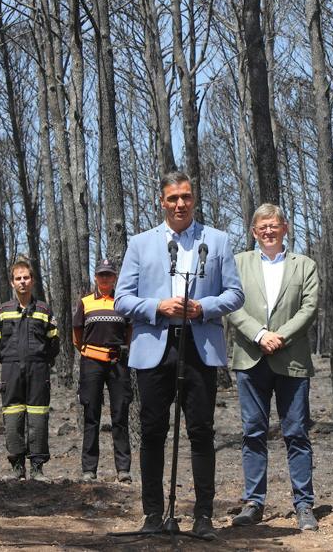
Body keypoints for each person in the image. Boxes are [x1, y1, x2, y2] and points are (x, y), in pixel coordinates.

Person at [114, 170, 244, 539]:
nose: (180, 204)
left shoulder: (216, 241)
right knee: (153, 432)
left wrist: (202, 308)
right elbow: (122, 299)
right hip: (155, 346)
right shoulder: (141, 244)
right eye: (173, 198)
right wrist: (159, 306)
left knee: (201, 431)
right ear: (162, 201)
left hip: (199, 346)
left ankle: (204, 517)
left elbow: (235, 294)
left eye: (185, 197)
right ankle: (153, 515)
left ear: (194, 198)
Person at [227, 203, 319, 532]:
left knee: (296, 433)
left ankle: (304, 503)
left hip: (291, 358)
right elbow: (231, 303)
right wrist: (259, 334)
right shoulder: (238, 263)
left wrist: (279, 336)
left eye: (274, 225)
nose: (268, 231)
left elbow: (309, 307)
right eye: (262, 226)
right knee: (253, 433)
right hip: (250, 359)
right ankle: (253, 502)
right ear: (253, 231)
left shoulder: (304, 265)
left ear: (285, 228)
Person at [0, 257, 59, 481]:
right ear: (12, 283)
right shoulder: (2, 311)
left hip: (38, 370)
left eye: (26, 278)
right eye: (18, 278)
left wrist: (40, 360)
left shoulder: (44, 310)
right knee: (13, 417)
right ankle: (17, 466)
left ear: (33, 280)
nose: (22, 282)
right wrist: (9, 360)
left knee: (38, 418)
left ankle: (38, 468)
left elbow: (54, 343)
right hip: (11, 372)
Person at [73, 258, 133, 483]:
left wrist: (121, 351)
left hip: (118, 363)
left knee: (120, 415)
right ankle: (89, 470)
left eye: (109, 275)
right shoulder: (85, 302)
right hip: (91, 364)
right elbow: (77, 336)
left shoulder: (122, 302)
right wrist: (92, 352)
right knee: (91, 415)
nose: (105, 278)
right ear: (95, 277)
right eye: (101, 275)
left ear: (115, 278)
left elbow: (130, 331)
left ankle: (123, 469)